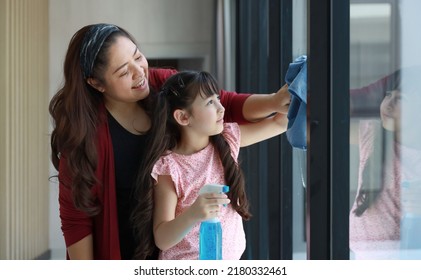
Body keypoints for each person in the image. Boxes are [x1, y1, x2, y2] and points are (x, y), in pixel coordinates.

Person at [49, 23, 291, 260]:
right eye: (123, 72)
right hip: (124, 253)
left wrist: (274, 102)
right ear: (96, 83)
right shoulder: (83, 135)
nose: (139, 72)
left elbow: (222, 104)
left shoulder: (162, 87)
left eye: (138, 56)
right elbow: (76, 220)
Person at [131, 70, 288, 260]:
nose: (221, 108)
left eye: (218, 99)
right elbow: (162, 238)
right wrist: (193, 214)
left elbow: (279, 123)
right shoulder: (169, 167)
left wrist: (298, 90)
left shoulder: (228, 139)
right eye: (210, 103)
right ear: (183, 117)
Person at [349, 67, 421, 259]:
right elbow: (320, 128)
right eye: (388, 95)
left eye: (400, 99)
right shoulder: (373, 133)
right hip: (361, 258)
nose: (387, 104)